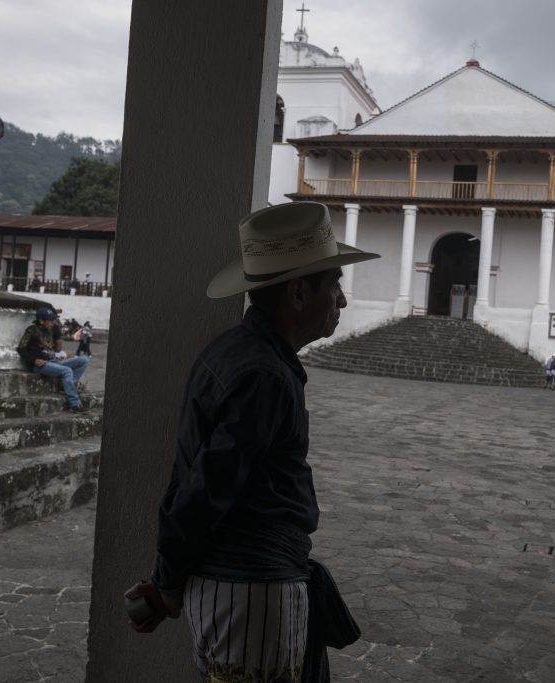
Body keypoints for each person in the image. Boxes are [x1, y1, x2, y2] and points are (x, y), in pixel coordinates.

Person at [126, 202, 378, 681]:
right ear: (300, 293)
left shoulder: (235, 354)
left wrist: (170, 580)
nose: (341, 301)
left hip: (239, 591)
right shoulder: (263, 375)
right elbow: (204, 492)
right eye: (335, 285)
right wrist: (166, 580)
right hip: (252, 593)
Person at [17, 307, 90, 412]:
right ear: (41, 321)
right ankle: (75, 404)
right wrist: (34, 360)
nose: (53, 322)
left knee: (84, 360)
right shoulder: (31, 330)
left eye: (54, 320)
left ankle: (67, 386)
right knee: (67, 370)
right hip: (41, 364)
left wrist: (57, 355)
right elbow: (21, 348)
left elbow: (51, 349)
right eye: (50, 320)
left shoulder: (49, 330)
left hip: (53, 361)